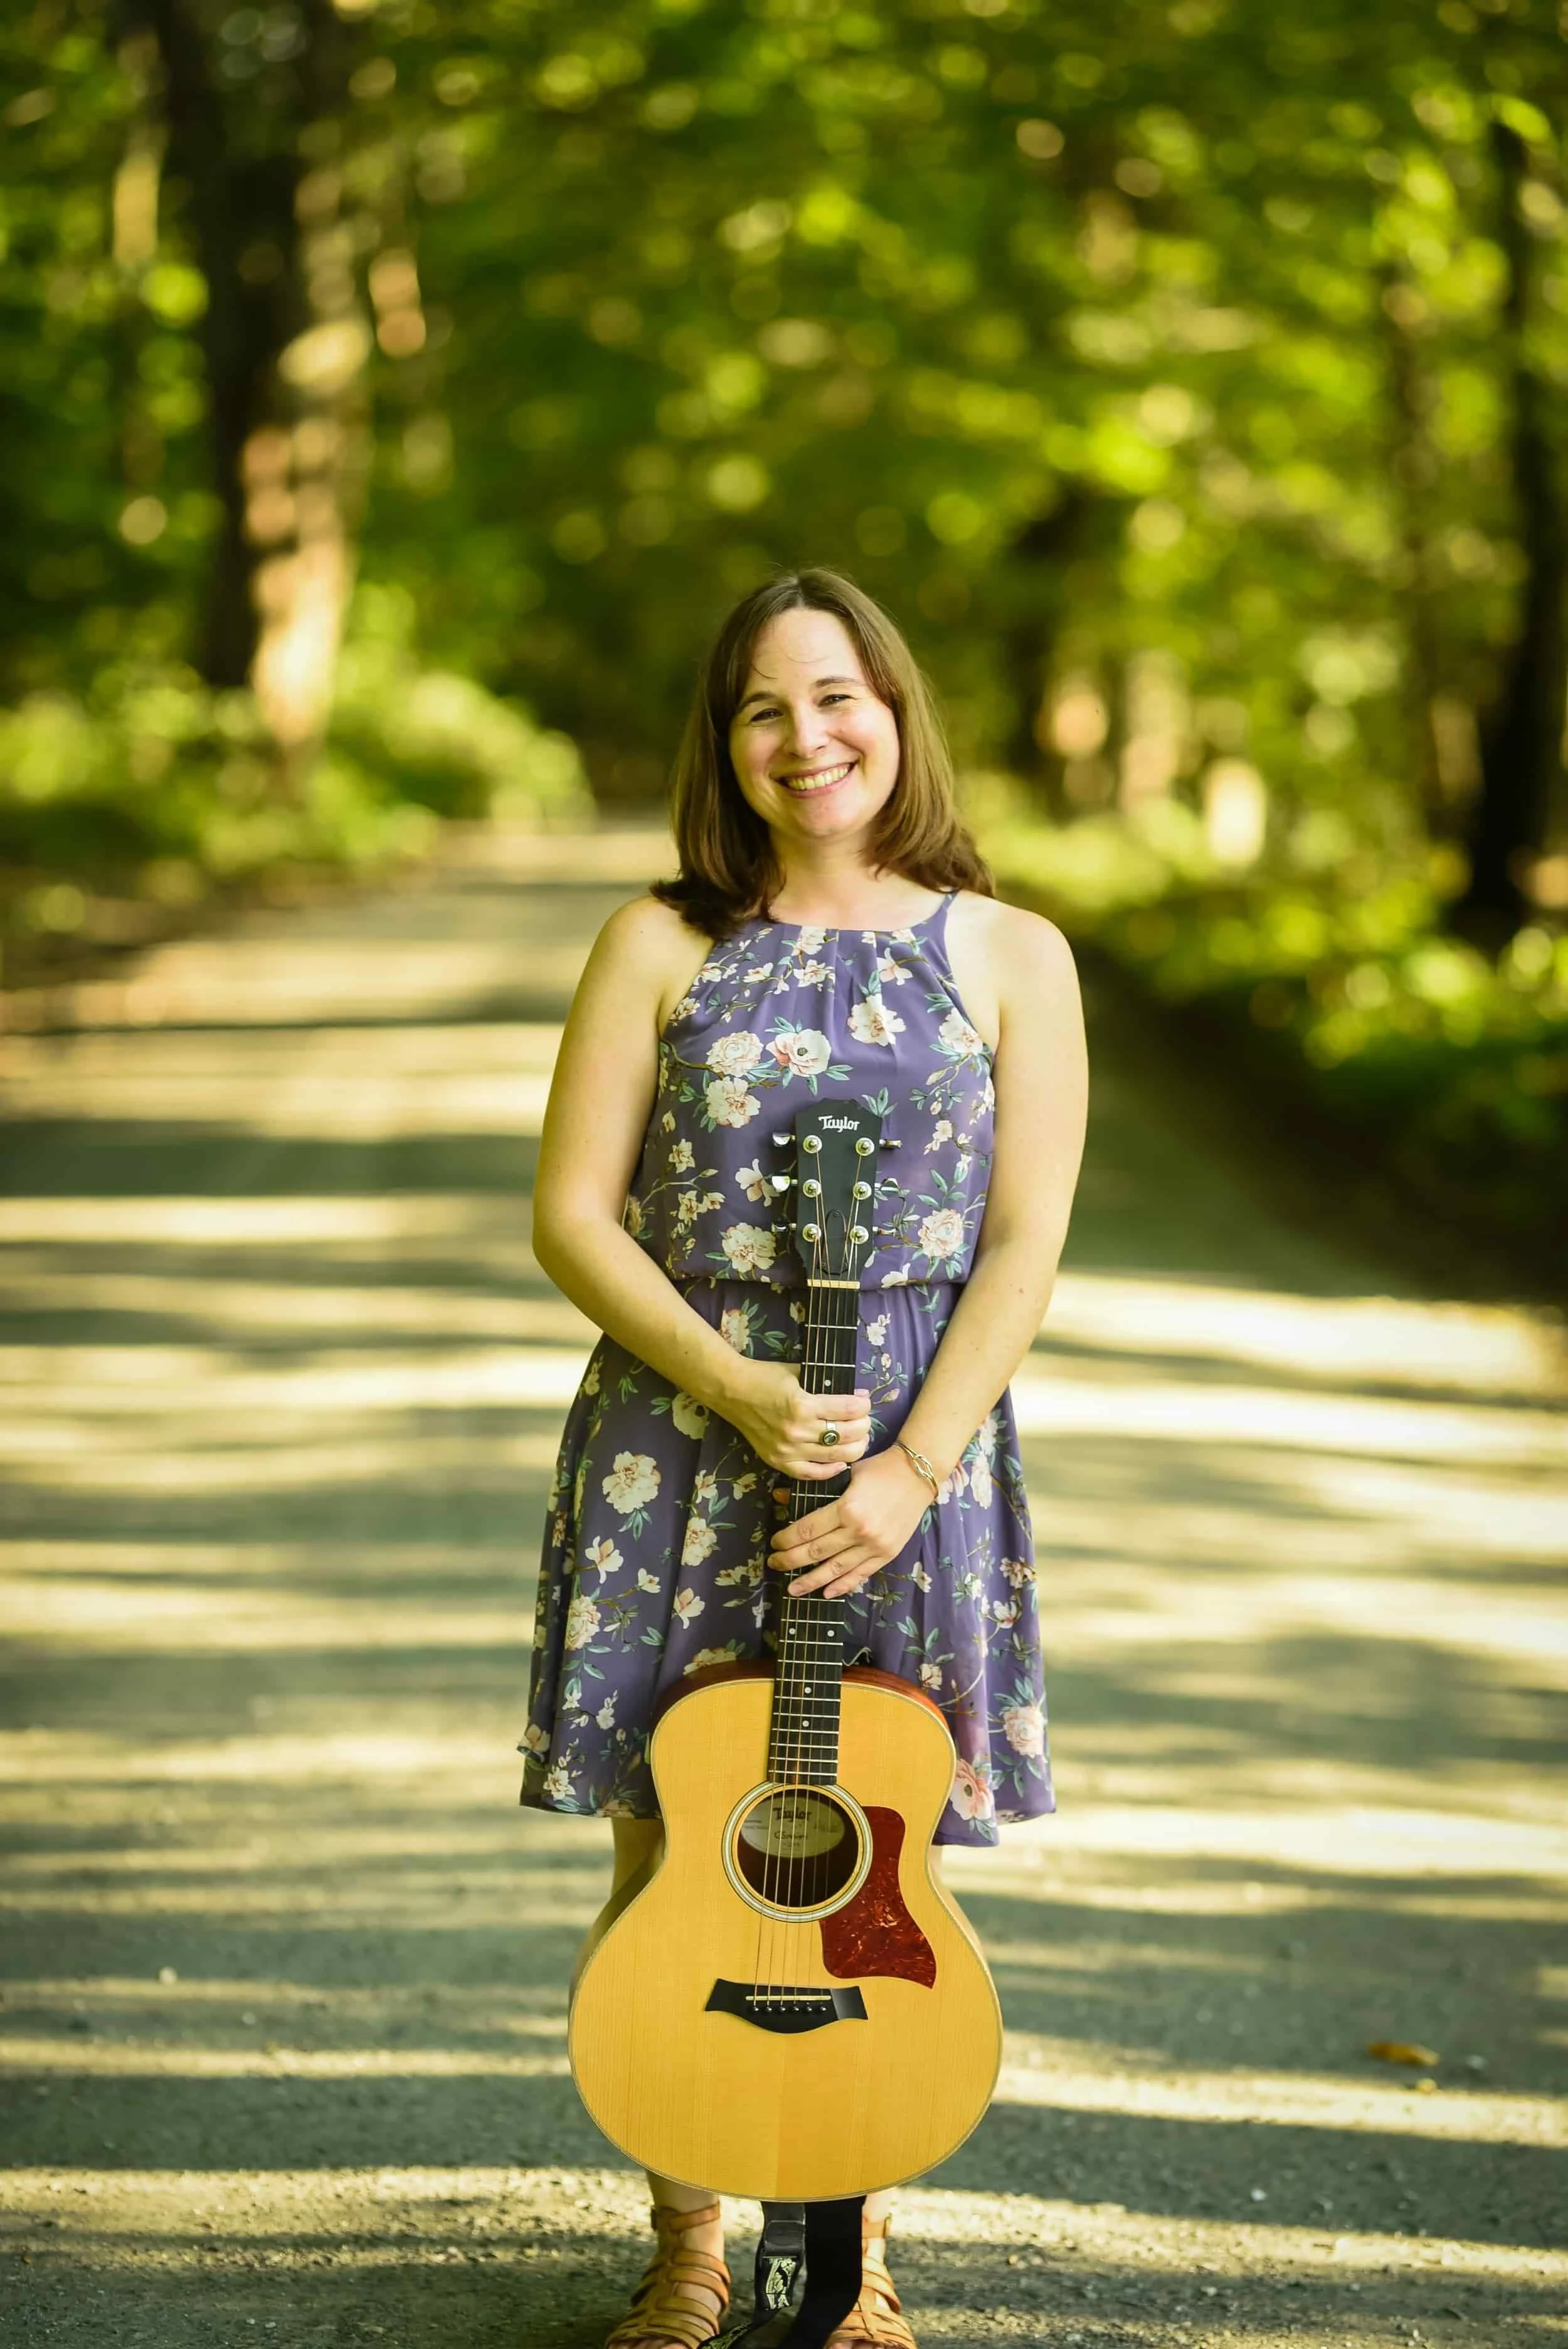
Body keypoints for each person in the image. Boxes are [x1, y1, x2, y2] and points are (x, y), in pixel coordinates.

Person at [520, 566, 1088, 2349]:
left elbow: (1020, 1244)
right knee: (676, 1833)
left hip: (909, 1444)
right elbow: (568, 1216)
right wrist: (742, 1389)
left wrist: (907, 1472)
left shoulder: (1010, 952)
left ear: (896, 712)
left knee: (869, 1844)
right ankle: (687, 2243)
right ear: (723, 742)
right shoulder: (658, 941)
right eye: (762, 708)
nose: (804, 736)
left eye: (835, 696)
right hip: (684, 1435)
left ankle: (847, 2254)